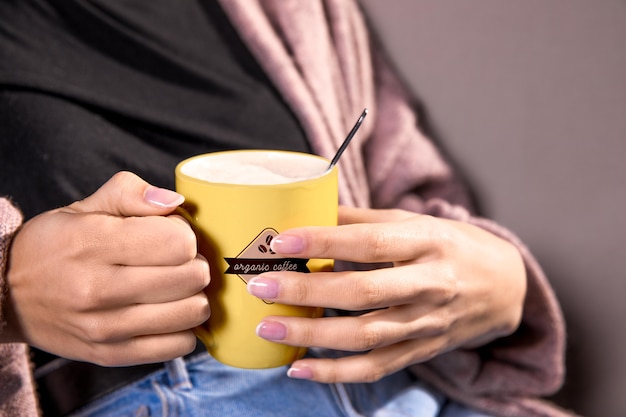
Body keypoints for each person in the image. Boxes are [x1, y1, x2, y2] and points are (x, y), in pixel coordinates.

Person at [0, 1, 578, 416]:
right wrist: (8, 289)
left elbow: (409, 201)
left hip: (417, 389)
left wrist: (497, 279)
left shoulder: (306, 13)